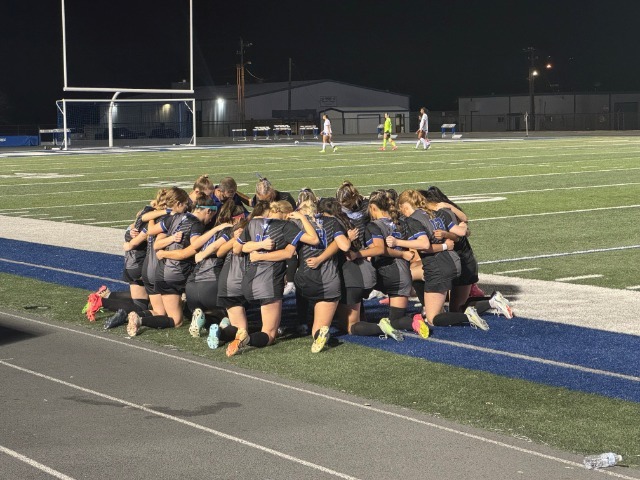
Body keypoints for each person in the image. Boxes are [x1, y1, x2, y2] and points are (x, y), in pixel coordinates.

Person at [226, 200, 319, 356]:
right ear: (287, 214)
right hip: (268, 282)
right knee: (269, 334)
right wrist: (302, 218)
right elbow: (312, 240)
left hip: (249, 281)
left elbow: (238, 248)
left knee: (263, 321)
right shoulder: (286, 226)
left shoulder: (254, 222)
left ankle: (231, 334)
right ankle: (245, 339)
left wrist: (257, 250)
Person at [393, 189, 489, 331]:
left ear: (404, 206)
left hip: (438, 266)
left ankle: (467, 315)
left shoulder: (412, 219)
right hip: (454, 262)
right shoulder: (438, 213)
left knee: (433, 319)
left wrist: (397, 243)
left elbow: (424, 245)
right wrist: (455, 233)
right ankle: (485, 304)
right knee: (449, 308)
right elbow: (459, 235)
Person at [126, 192, 218, 337]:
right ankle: (141, 320)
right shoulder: (197, 224)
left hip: (161, 273)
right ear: (208, 211)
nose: (210, 219)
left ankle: (139, 318)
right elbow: (192, 247)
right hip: (177, 274)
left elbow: (154, 238)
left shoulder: (174, 218)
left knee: (167, 312)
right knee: (176, 321)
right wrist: (215, 231)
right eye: (211, 216)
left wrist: (166, 248)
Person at [346, 189, 415, 340]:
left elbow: (379, 249)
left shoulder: (374, 226)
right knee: (397, 319)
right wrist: (403, 254)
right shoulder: (400, 222)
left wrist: (357, 254)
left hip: (382, 274)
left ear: (373, 207)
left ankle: (364, 320)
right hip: (403, 274)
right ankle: (415, 322)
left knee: (356, 289)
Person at [292, 196, 351, 352]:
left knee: (301, 294)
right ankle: (320, 331)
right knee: (317, 331)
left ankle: (302, 321)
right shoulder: (332, 222)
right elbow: (344, 246)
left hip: (305, 280)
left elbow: (288, 252)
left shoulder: (297, 224)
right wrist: (348, 238)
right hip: (329, 281)